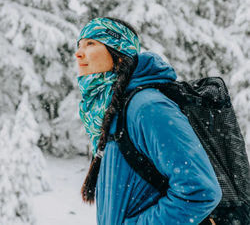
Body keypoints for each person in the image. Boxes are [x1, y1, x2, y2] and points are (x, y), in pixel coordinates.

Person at [75, 17, 222, 225]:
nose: (78, 53)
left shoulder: (146, 107)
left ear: (119, 55)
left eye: (91, 43)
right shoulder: (111, 113)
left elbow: (200, 192)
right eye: (79, 45)